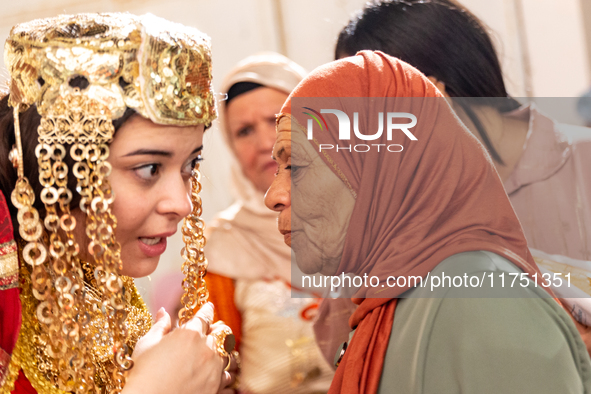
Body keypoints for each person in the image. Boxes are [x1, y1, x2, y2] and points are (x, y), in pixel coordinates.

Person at [264, 50, 591, 393]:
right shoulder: (390, 300)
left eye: (295, 167)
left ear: (377, 171)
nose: (273, 196)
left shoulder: (485, 301)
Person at [0, 13, 234, 394]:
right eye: (149, 168)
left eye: (191, 164)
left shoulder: (89, 269)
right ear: (60, 166)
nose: (182, 203)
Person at [204, 52, 335, 393]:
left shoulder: (369, 219)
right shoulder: (223, 244)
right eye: (245, 131)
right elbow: (216, 370)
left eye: (277, 120)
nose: (265, 143)